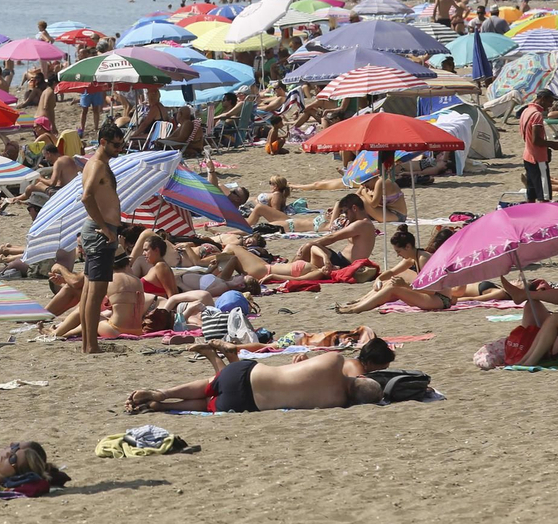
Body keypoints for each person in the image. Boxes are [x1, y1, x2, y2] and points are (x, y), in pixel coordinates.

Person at [125, 351, 383, 414]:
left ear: (360, 377)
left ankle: (164, 392)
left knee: (208, 384)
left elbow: (307, 366)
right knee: (205, 403)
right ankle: (163, 407)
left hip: (250, 374)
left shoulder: (335, 360)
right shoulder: (337, 402)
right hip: (248, 402)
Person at [78, 122, 126, 355]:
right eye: (116, 145)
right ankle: (91, 345)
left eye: (121, 145)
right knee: (95, 295)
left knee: (89, 292)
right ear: (103, 142)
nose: (119, 149)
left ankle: (88, 344)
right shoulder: (97, 164)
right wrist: (105, 228)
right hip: (100, 232)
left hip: (99, 229)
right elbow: (86, 197)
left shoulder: (96, 164)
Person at [520, 88, 558, 202]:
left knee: (531, 193)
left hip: (527, 155)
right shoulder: (536, 115)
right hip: (538, 157)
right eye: (550, 101)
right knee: (544, 195)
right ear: (543, 99)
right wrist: (553, 144)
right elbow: (536, 140)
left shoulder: (526, 111)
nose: (550, 105)